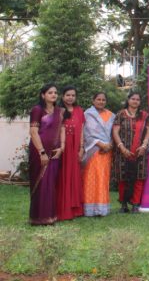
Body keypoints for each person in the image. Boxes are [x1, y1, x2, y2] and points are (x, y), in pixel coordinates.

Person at [29, 84, 65, 225]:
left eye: (55, 92)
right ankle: (38, 217)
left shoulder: (59, 111)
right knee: (41, 183)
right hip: (39, 152)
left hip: (54, 151)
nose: (54, 95)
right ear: (43, 95)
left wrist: (62, 147)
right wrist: (42, 152)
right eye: (50, 92)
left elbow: (62, 128)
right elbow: (33, 132)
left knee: (50, 184)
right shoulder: (37, 110)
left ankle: (50, 216)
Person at [112, 90, 149, 213]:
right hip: (123, 151)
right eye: (133, 99)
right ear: (128, 100)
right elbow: (115, 132)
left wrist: (144, 145)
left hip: (140, 152)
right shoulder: (121, 114)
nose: (135, 101)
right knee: (122, 178)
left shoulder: (144, 115)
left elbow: (148, 131)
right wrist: (121, 147)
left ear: (140, 102)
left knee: (139, 178)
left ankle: (135, 204)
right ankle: (123, 205)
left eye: (137, 99)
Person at [82, 92, 115, 217]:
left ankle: (102, 209)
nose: (101, 102)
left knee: (103, 178)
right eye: (98, 99)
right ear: (93, 100)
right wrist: (101, 144)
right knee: (91, 178)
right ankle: (90, 209)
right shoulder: (88, 114)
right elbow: (87, 133)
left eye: (103, 100)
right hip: (93, 150)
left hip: (107, 152)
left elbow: (114, 133)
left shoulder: (111, 115)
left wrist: (110, 144)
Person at [56, 86, 85, 221]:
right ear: (62, 96)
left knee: (74, 176)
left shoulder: (79, 111)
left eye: (73, 95)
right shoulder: (58, 111)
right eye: (68, 95)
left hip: (75, 149)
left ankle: (76, 209)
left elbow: (82, 131)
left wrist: (81, 148)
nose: (70, 97)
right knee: (63, 176)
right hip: (62, 148)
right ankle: (63, 209)